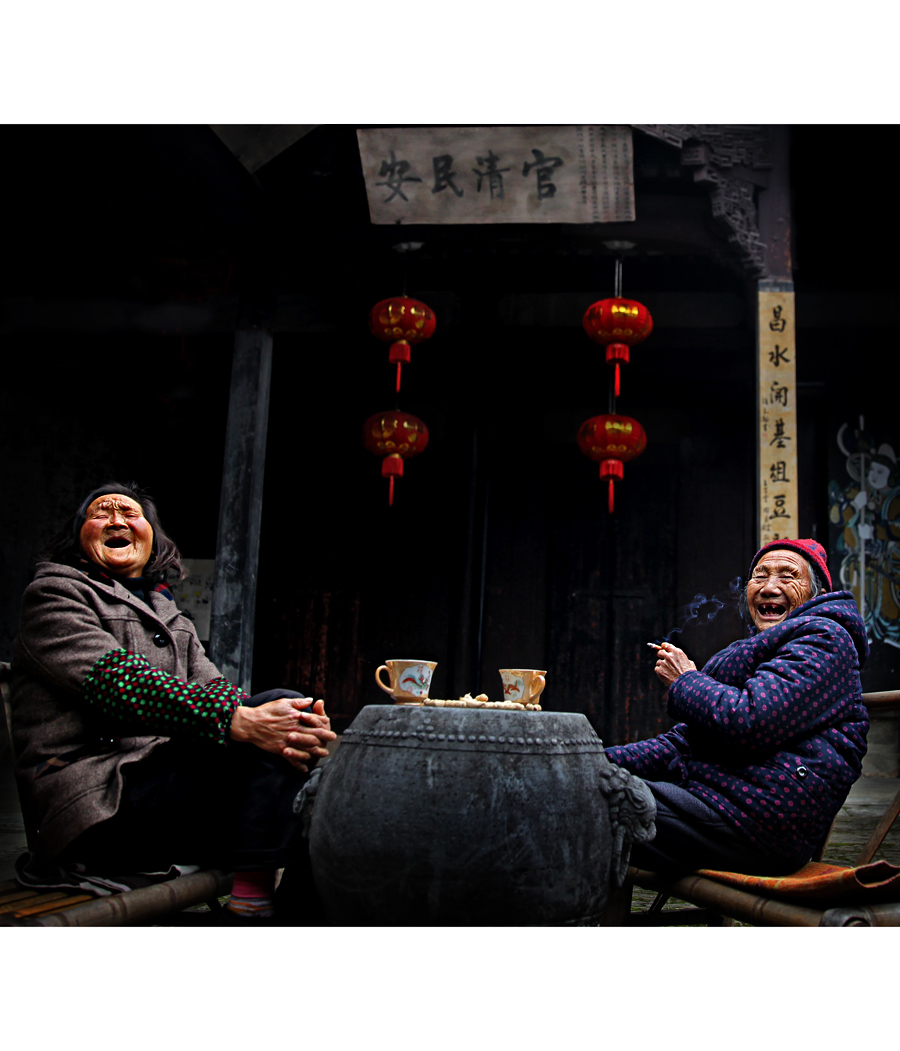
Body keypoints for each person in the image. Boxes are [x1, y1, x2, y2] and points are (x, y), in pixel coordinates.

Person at [9, 481, 336, 924]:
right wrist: (237, 719)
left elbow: (217, 691)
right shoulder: (55, 595)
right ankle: (259, 907)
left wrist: (275, 721)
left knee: (287, 709)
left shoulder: (167, 613)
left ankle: (264, 904)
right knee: (276, 735)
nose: (117, 520)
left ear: (152, 541)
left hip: (163, 791)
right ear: (79, 539)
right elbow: (116, 682)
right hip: (97, 804)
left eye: (130, 514)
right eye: (102, 513)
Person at [604, 538, 869, 876]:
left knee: (593, 801)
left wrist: (686, 680)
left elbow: (749, 719)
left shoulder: (825, 639)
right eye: (760, 576)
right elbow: (680, 744)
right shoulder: (752, 652)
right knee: (583, 783)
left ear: (814, 595)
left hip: (760, 820)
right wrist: (597, 761)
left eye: (788, 576)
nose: (770, 587)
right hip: (715, 801)